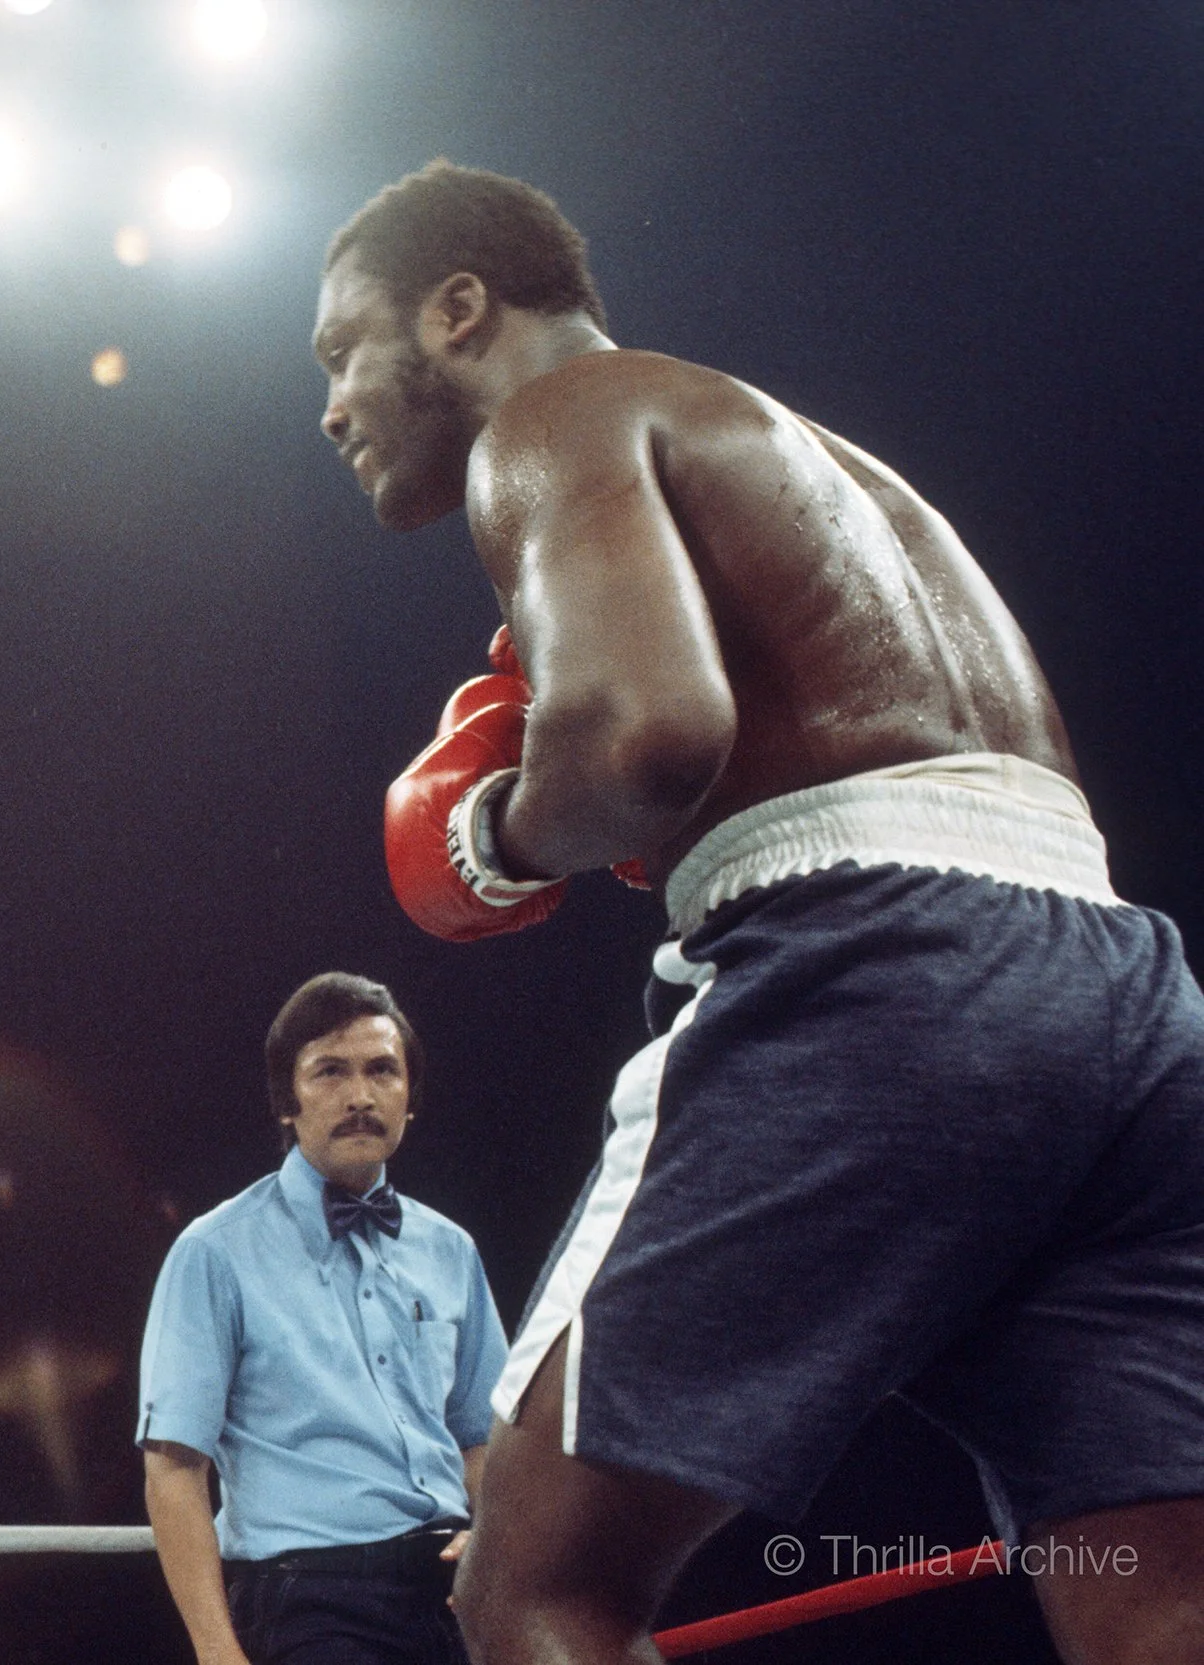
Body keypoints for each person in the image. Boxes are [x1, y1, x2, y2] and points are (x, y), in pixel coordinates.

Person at [328, 160, 1204, 1663]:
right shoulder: (841, 474)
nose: (334, 405)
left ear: (458, 310)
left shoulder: (558, 419)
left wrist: (492, 836)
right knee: (1157, 1588)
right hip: (1128, 999)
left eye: (345, 350)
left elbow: (645, 730)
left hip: (886, 966)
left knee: (532, 1583)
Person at [138, 972, 508, 1665]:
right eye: (331, 1071)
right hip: (311, 1599)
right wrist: (218, 1653)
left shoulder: (450, 1249)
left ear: (410, 1098)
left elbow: (480, 1438)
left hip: (456, 1595)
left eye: (382, 1071)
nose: (360, 1096)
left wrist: (492, 1535)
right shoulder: (214, 1251)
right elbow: (173, 1469)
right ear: (288, 1099)